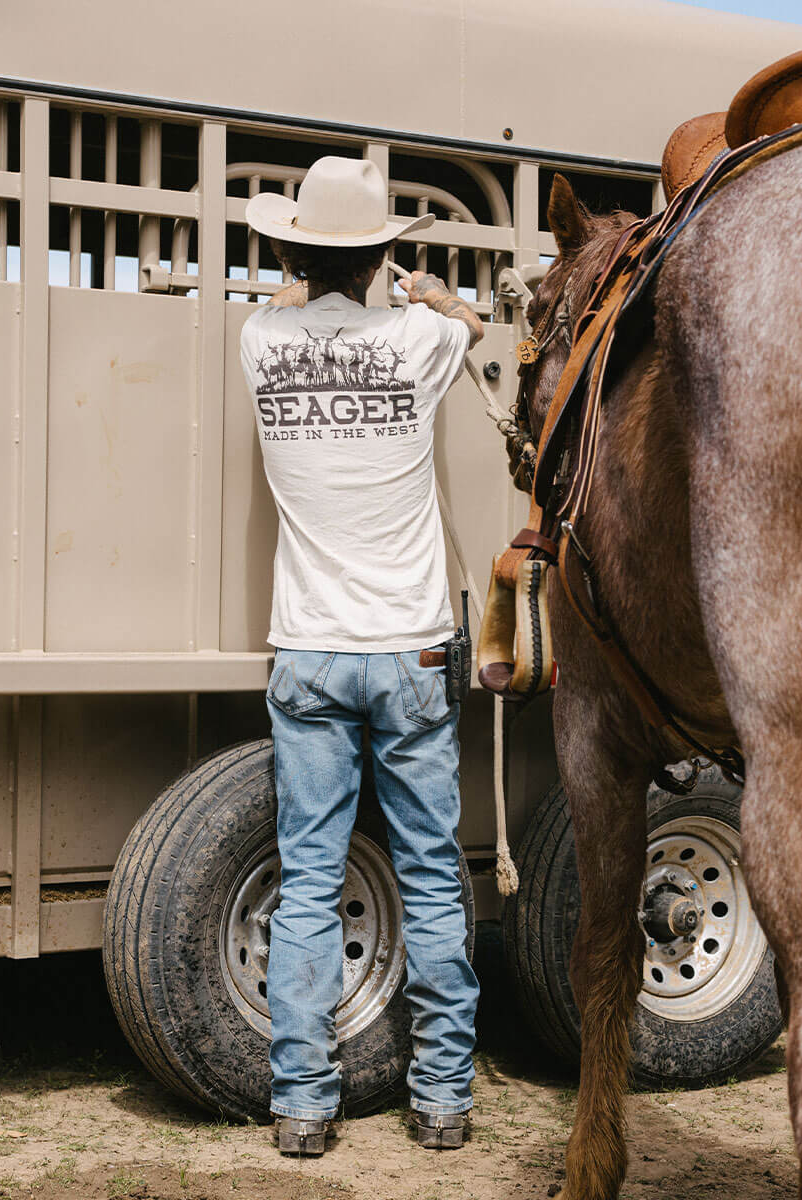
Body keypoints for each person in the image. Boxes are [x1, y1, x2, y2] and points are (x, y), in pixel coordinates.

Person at [239, 156, 484, 1156]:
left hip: (310, 649)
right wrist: (428, 289)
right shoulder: (421, 336)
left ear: (294, 249)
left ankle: (302, 1104)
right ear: (383, 253)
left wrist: (312, 276)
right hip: (412, 649)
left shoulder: (258, 339)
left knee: (308, 879)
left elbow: (292, 298)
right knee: (429, 873)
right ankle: (443, 1100)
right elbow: (468, 327)